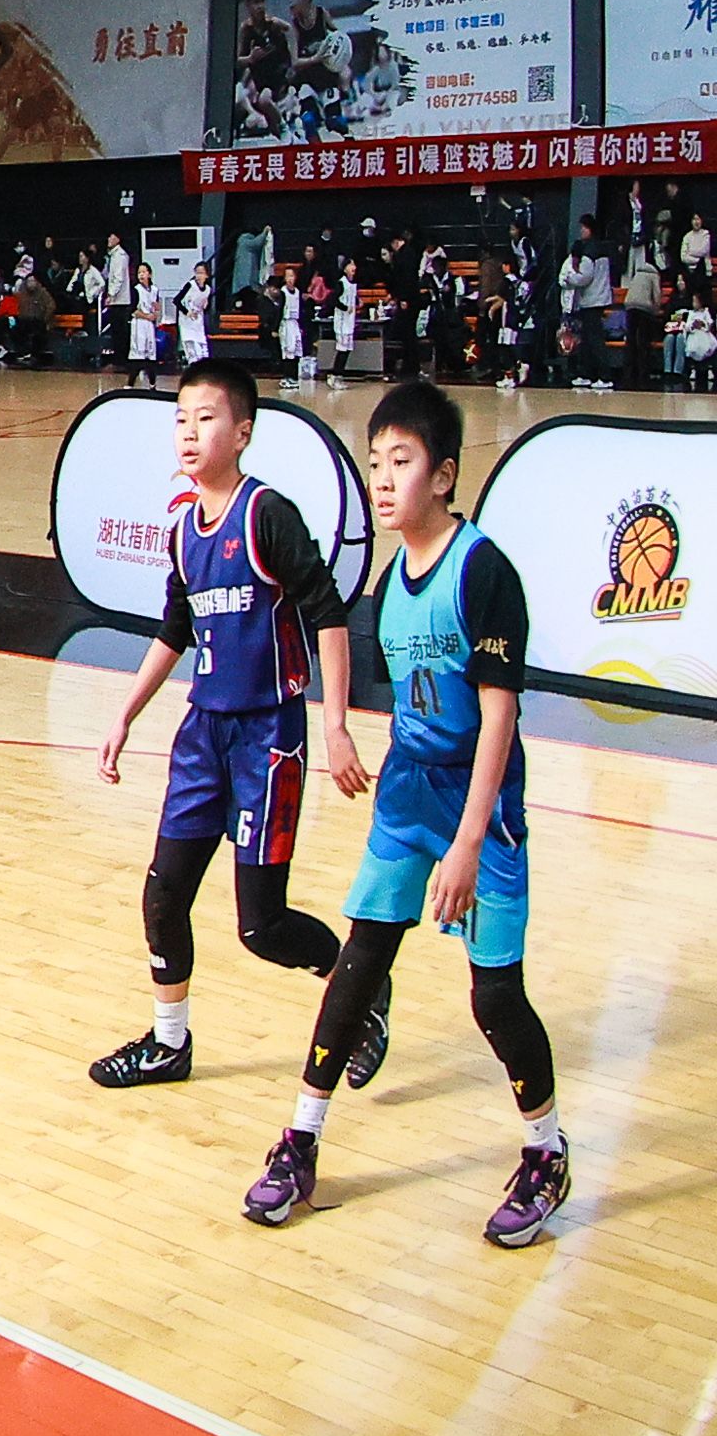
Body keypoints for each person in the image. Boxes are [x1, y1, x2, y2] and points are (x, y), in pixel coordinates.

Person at [244, 383, 566, 1242]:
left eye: (401, 462)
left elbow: (498, 718)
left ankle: (546, 1150)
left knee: (494, 997)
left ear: (445, 475)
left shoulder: (483, 571)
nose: (382, 480)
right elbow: (406, 693)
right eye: (375, 463)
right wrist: (343, 734)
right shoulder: (391, 583)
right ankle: (301, 1140)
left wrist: (467, 842)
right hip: (407, 790)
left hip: (480, 805)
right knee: (359, 962)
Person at [88, 360, 365, 1093]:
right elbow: (174, 628)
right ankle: (168, 1043)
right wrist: (124, 714)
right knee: (163, 896)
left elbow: (328, 612)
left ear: (242, 432)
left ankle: (357, 985)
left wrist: (336, 725)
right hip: (202, 736)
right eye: (180, 418)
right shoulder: (184, 530)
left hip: (267, 738)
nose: (189, 431)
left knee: (261, 927)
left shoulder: (266, 513)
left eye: (205, 418)